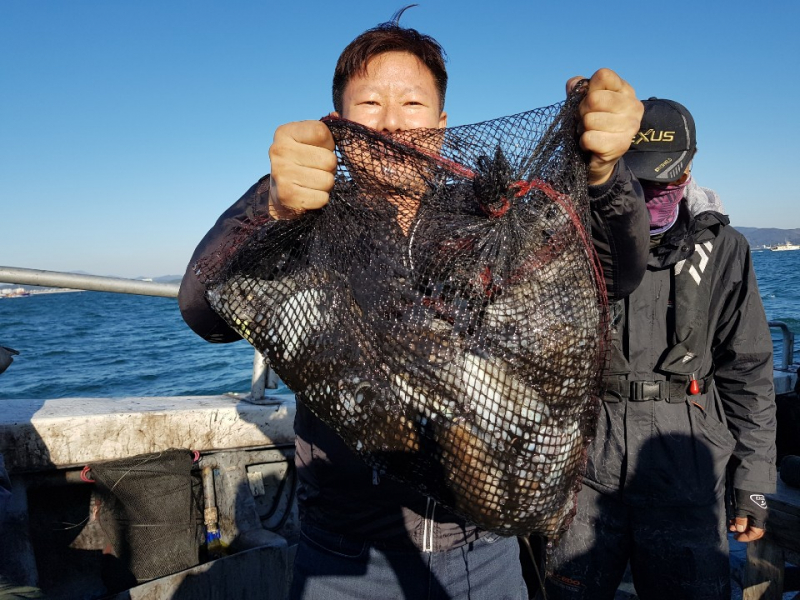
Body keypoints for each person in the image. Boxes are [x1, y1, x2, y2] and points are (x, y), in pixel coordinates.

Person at [179, 8, 649, 599]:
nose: (393, 124)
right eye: (370, 105)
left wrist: (605, 174)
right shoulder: (304, 226)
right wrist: (269, 209)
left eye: (413, 105)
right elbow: (204, 311)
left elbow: (614, 270)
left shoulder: (489, 221)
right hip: (348, 558)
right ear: (338, 123)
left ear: (444, 123)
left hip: (487, 553)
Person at [544, 98, 777, 600]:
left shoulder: (726, 247)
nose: (650, 195)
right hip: (582, 471)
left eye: (662, 183)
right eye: (637, 182)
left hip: (689, 475)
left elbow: (749, 369)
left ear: (688, 168)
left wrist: (755, 478)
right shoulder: (571, 236)